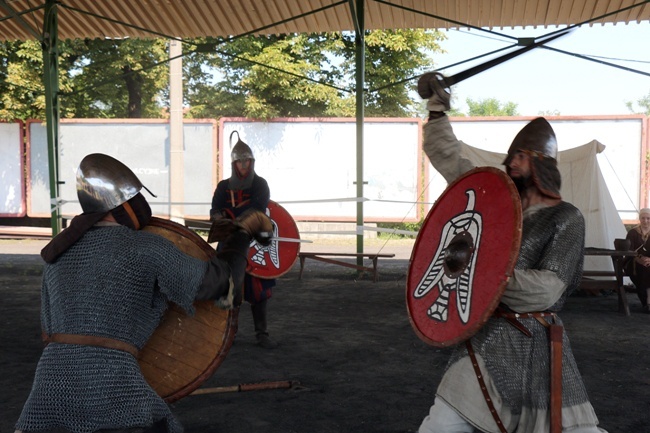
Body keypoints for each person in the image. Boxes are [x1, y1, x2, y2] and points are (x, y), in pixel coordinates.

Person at [15, 153, 265, 433]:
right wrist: (242, 235)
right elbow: (220, 283)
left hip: (48, 388)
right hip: (113, 384)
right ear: (123, 204)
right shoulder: (145, 247)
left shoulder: (57, 255)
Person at [416, 73, 607, 433]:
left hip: (539, 344)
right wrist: (438, 109)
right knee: (439, 426)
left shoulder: (566, 217)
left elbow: (548, 289)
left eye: (520, 156)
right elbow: (450, 161)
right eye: (511, 155)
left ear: (541, 163)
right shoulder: (496, 203)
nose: (511, 161)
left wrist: (483, 275)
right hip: (485, 339)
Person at [210, 132, 278, 349]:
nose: (243, 164)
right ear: (234, 163)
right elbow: (215, 209)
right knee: (229, 287)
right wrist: (219, 218)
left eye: (246, 160)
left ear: (252, 162)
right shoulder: (223, 187)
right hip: (230, 242)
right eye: (239, 161)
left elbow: (257, 210)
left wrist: (233, 216)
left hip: (255, 241)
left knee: (258, 290)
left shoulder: (260, 184)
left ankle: (262, 333)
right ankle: (230, 334)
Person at [624, 207, 650, 313]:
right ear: (639, 219)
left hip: (648, 262)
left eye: (648, 218)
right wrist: (639, 259)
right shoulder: (633, 233)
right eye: (643, 218)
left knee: (648, 268)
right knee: (645, 269)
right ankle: (647, 302)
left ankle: (648, 302)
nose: (645, 221)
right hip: (633, 262)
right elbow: (628, 251)